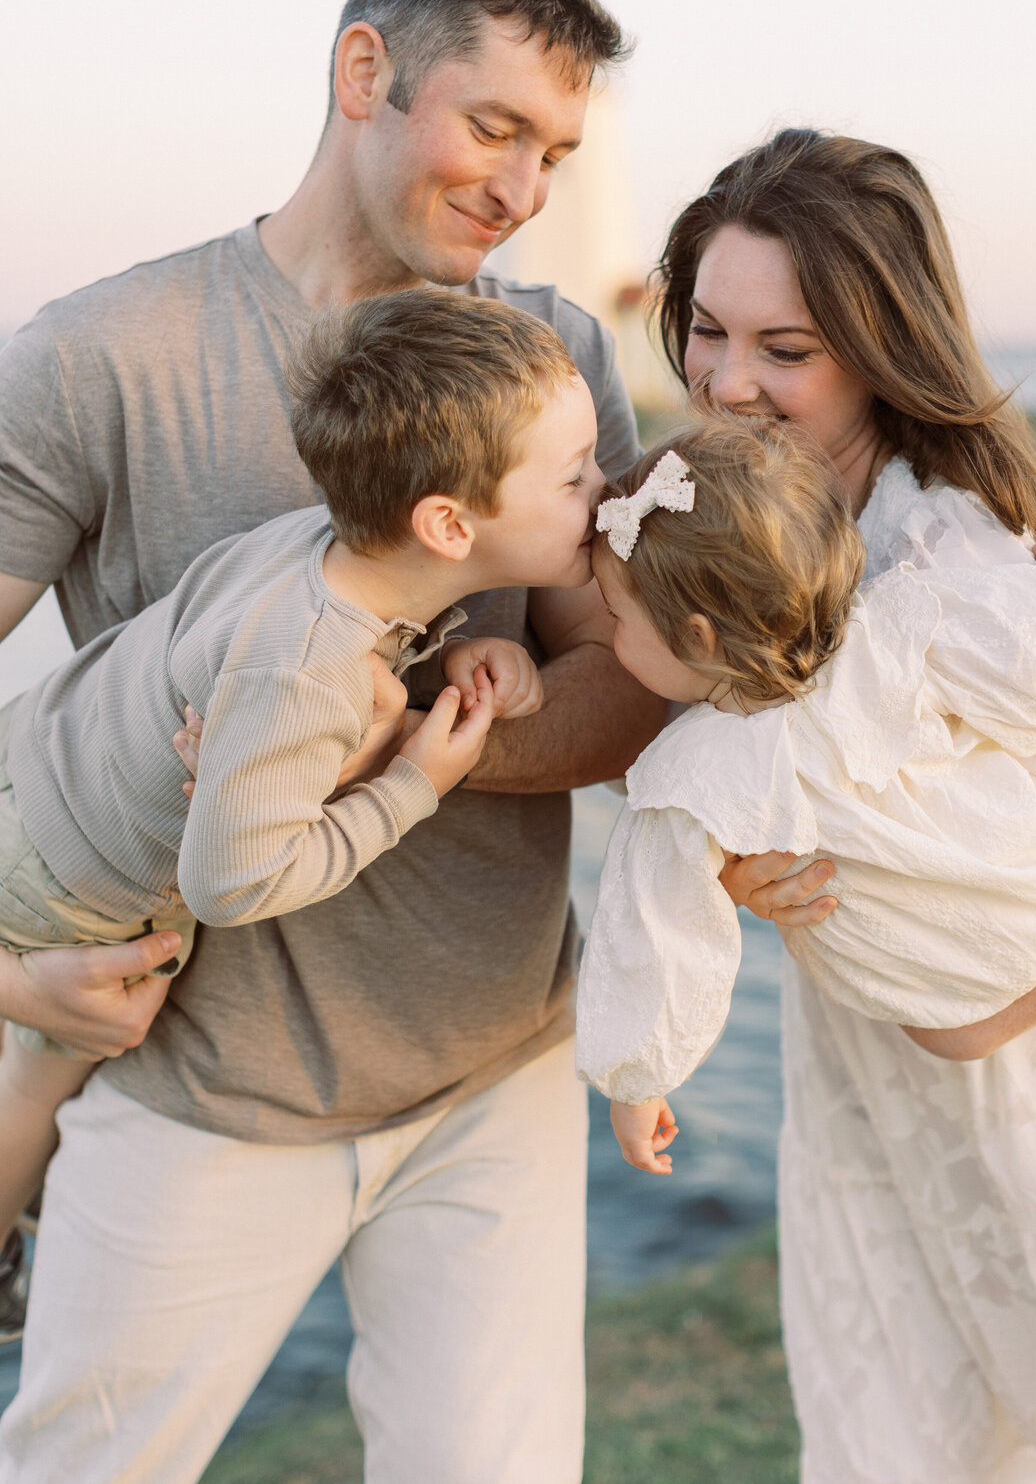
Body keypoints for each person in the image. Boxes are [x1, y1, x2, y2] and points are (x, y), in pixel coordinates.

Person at [3, 0, 841, 1484]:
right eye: (498, 127)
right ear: (363, 72)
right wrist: (11, 971)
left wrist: (386, 749)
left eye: (558, 151)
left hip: (494, 1075)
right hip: (197, 1092)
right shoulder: (100, 357)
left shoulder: (560, 356)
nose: (525, 188)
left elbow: (624, 683)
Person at [627, 130, 1036, 1484]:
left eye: (787, 348)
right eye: (707, 331)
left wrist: (996, 1008)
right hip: (869, 1112)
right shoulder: (747, 533)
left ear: (882, 350)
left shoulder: (960, 576)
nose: (728, 381)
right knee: (904, 1471)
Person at [0, 288, 606, 1273]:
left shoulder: (313, 552)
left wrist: (481, 662)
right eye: (575, 477)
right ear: (451, 525)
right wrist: (413, 782)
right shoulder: (306, 671)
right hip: (67, 880)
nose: (604, 490)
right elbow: (230, 884)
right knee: (45, 1070)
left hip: (34, 760)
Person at [577, 419, 1036, 1163]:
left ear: (702, 639)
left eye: (617, 618)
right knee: (1034, 948)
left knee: (957, 1019)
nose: (611, 636)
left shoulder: (688, 776)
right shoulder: (898, 627)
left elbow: (657, 930)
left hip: (941, 972)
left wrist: (637, 1084)